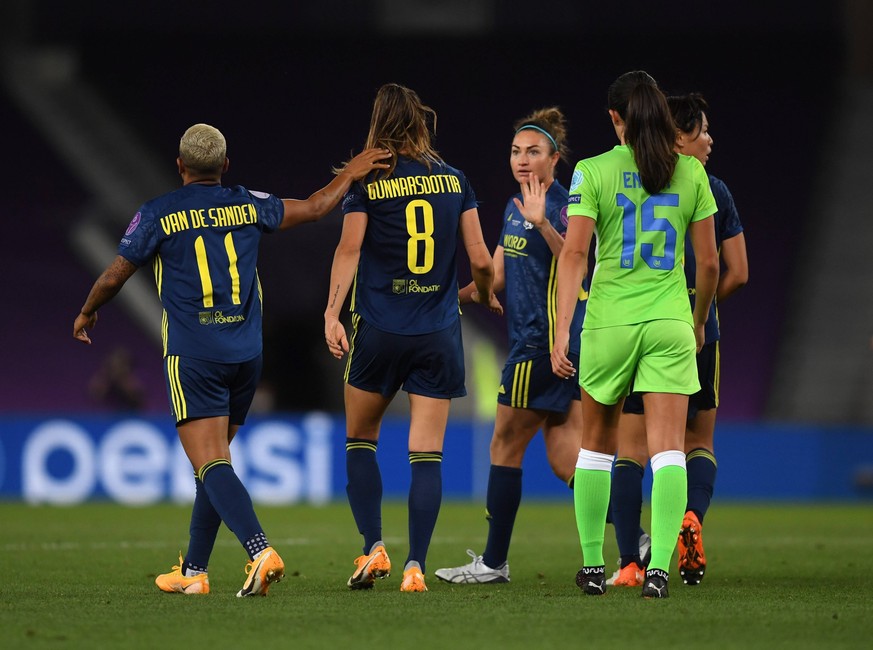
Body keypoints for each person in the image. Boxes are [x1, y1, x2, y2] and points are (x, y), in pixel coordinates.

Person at [73, 123, 390, 597]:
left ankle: (259, 550)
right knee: (214, 462)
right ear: (225, 165)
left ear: (180, 166)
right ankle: (195, 571)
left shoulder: (158, 213)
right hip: (246, 355)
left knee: (210, 463)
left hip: (194, 355)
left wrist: (87, 310)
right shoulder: (247, 203)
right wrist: (352, 171)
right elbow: (319, 205)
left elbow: (117, 273)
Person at [323, 83, 499, 593]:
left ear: (378, 123)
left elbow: (348, 249)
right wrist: (481, 292)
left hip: (378, 330)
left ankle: (373, 547)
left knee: (361, 439)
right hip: (438, 334)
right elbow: (483, 260)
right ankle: (415, 566)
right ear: (422, 123)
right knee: (427, 454)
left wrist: (332, 313)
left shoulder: (367, 184)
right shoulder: (455, 180)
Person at [551, 70, 719, 599]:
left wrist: (562, 330)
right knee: (669, 450)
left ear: (615, 117)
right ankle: (660, 571)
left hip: (608, 323)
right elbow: (710, 263)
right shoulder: (691, 173)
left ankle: (594, 567)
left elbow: (575, 253)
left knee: (597, 449)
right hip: (669, 321)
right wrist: (695, 321)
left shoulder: (592, 170)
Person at [434, 107, 587, 585]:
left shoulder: (563, 206)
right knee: (568, 458)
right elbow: (495, 275)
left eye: (534, 152)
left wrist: (543, 224)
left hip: (541, 346)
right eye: (517, 151)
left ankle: (494, 563)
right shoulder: (511, 206)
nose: (523, 160)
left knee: (504, 446)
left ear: (554, 158)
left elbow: (578, 264)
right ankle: (638, 538)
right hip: (552, 352)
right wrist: (448, 302)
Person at [607, 92, 748, 588]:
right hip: (693, 332)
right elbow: (736, 271)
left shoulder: (633, 179)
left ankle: (627, 561)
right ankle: (690, 519)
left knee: (630, 449)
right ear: (679, 136)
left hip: (635, 324)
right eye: (702, 130)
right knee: (694, 443)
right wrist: (699, 316)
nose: (709, 139)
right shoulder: (713, 189)